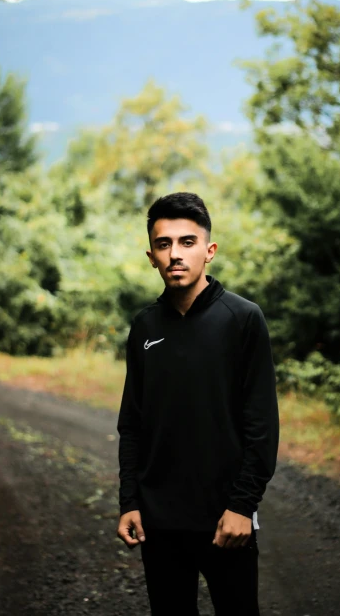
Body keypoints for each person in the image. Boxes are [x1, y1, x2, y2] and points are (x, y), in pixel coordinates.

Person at [116, 192, 280, 615]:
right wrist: (129, 502)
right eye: (164, 243)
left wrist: (243, 506)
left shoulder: (242, 319)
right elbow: (132, 423)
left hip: (226, 520)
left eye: (187, 242)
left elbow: (261, 424)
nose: (175, 254)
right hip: (159, 522)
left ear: (209, 251)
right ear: (151, 255)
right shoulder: (145, 326)